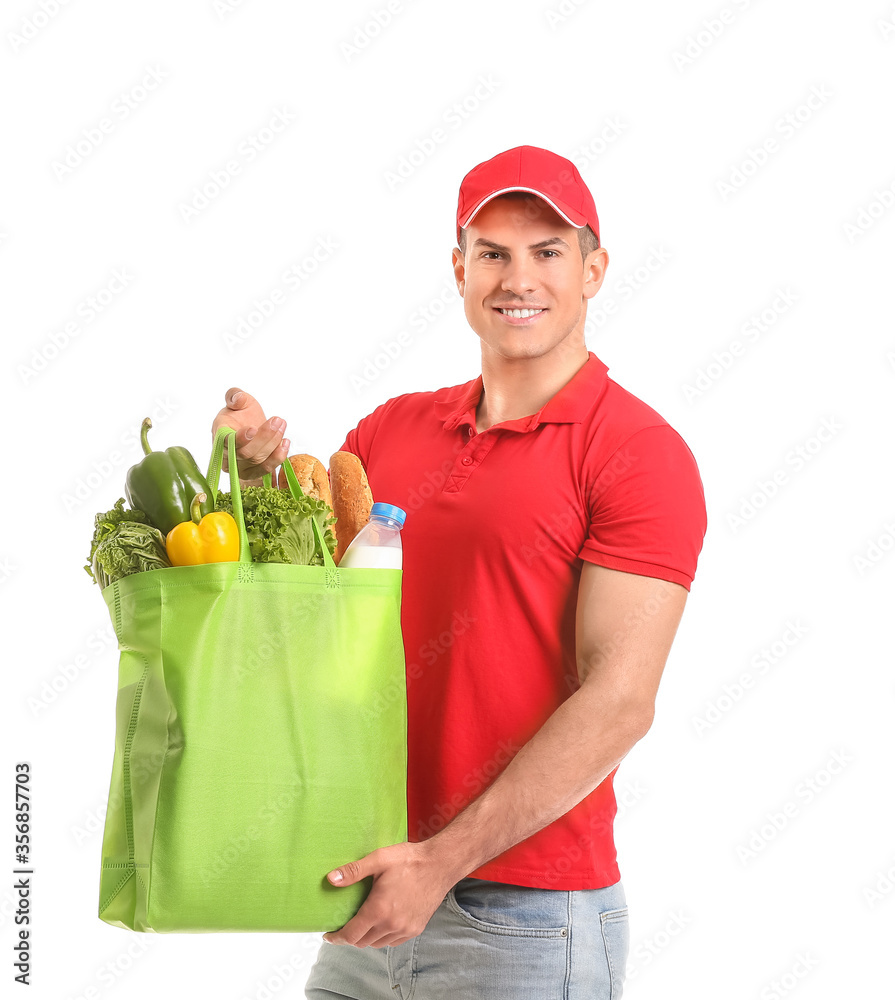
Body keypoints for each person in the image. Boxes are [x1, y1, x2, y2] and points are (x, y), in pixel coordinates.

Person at [212, 145, 707, 999]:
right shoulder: (388, 435)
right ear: (459, 269)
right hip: (369, 889)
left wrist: (439, 861)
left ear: (593, 270)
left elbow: (620, 700)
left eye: (548, 252)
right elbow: (304, 622)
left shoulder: (635, 453)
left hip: (523, 918)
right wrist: (255, 481)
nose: (519, 278)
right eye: (493, 253)